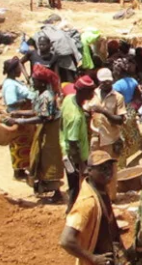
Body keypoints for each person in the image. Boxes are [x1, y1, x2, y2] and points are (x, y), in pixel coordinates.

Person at [3, 64, 63, 200]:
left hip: (50, 130)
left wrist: (19, 121)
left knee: (49, 159)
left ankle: (56, 193)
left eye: (34, 80)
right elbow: (36, 111)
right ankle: (45, 187)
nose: (32, 82)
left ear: (42, 83)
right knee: (39, 155)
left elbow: (42, 117)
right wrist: (18, 112)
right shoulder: (41, 94)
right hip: (44, 129)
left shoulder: (47, 96)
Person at [60, 150, 123, 265]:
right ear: (89, 171)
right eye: (103, 168)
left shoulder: (102, 189)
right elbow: (66, 240)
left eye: (110, 167)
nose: (108, 172)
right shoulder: (87, 203)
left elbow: (110, 223)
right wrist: (93, 258)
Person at [87, 68, 127, 200]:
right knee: (94, 166)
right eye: (103, 82)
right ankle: (95, 195)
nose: (106, 84)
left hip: (110, 138)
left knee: (111, 169)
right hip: (95, 137)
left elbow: (120, 120)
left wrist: (104, 111)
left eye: (108, 82)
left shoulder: (118, 97)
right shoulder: (93, 95)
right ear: (99, 82)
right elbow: (86, 111)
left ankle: (111, 197)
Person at [62, 76, 96, 213]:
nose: (93, 94)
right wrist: (82, 165)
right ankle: (72, 211)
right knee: (75, 187)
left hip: (65, 149)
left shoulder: (68, 99)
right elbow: (73, 143)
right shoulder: (76, 117)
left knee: (73, 185)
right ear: (83, 92)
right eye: (91, 91)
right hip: (74, 157)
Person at [0, 57, 36, 180]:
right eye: (18, 68)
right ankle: (19, 172)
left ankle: (22, 170)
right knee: (19, 146)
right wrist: (25, 100)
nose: (20, 70)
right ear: (13, 70)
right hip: (18, 117)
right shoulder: (10, 85)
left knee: (23, 145)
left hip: (22, 116)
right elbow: (11, 103)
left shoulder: (14, 81)